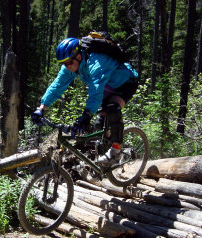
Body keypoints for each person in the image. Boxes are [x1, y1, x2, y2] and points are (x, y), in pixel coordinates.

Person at [31, 37, 139, 166]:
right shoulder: (72, 64)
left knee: (112, 109)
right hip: (108, 86)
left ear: (78, 56)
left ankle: (116, 150)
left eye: (69, 62)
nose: (67, 66)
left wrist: (86, 115)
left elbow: (96, 89)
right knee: (99, 123)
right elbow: (57, 85)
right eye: (63, 63)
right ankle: (113, 145)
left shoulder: (97, 62)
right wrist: (42, 108)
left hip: (125, 82)